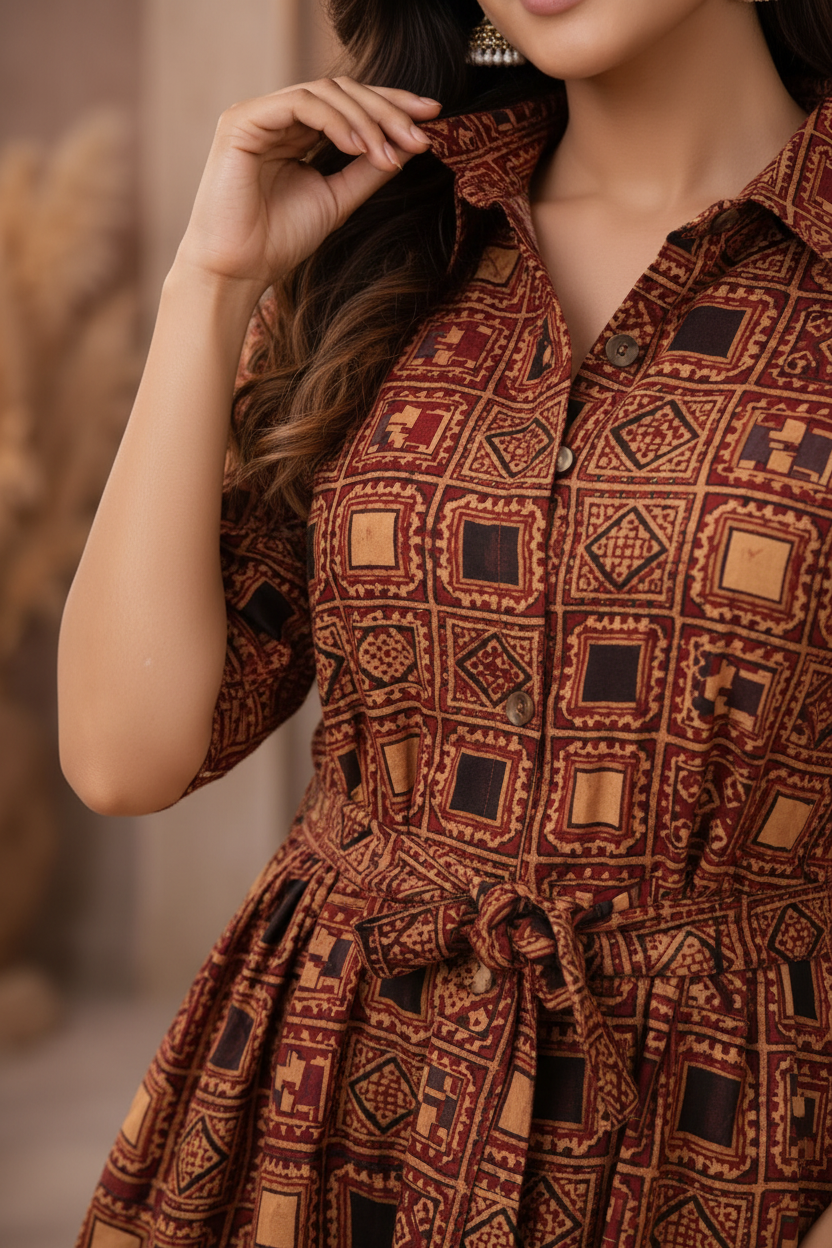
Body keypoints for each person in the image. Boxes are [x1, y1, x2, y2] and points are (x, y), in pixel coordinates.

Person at [59, 0, 832, 1244]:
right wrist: (207, 285)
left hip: (723, 1138)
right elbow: (124, 754)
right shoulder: (386, 245)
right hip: (323, 1100)